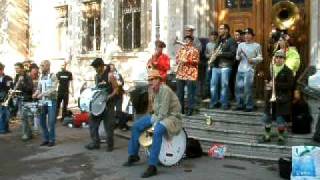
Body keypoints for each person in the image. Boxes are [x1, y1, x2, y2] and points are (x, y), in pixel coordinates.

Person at [123, 69, 182, 178]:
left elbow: (163, 113)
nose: (150, 82)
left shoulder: (165, 90)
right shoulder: (154, 90)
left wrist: (153, 127)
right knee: (136, 126)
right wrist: (148, 120)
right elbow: (155, 110)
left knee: (157, 131)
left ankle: (152, 166)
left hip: (172, 117)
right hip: (159, 115)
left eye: (152, 79)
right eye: (149, 80)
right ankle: (133, 155)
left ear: (158, 80)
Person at [260, 50, 294, 145]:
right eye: (277, 57)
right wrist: (267, 85)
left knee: (280, 119)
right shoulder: (271, 69)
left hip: (282, 99)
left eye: (281, 58)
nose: (278, 59)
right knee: (267, 117)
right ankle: (267, 136)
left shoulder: (288, 71)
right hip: (270, 98)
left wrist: (276, 84)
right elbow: (267, 81)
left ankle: (281, 137)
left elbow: (290, 85)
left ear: (284, 59)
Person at [85, 58, 118, 152]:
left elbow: (116, 89)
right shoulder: (96, 76)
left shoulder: (110, 75)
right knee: (92, 123)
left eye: (96, 67)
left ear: (101, 66)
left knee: (109, 126)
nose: (95, 68)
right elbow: (97, 89)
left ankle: (110, 145)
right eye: (94, 67)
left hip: (109, 104)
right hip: (98, 105)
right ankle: (95, 143)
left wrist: (109, 97)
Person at [234, 28, 263, 112]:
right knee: (239, 88)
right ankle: (240, 104)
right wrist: (238, 55)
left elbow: (260, 58)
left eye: (248, 34)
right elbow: (237, 57)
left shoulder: (257, 45)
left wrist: (253, 60)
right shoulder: (241, 45)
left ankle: (249, 106)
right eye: (245, 34)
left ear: (252, 36)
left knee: (248, 88)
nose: (246, 36)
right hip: (240, 69)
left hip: (250, 70)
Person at [209, 24, 237, 110]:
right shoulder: (219, 40)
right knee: (213, 85)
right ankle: (214, 102)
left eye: (221, 29)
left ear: (227, 30)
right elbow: (215, 51)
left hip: (226, 66)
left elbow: (233, 54)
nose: (219, 30)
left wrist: (221, 54)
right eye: (219, 29)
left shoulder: (231, 40)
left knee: (224, 86)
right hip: (216, 66)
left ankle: (224, 103)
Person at [32, 60, 58, 147]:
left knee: (51, 121)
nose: (41, 67)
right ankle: (46, 139)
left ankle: (52, 139)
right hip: (42, 101)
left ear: (48, 66)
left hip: (51, 101)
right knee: (41, 121)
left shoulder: (53, 76)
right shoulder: (41, 77)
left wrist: (42, 94)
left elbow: (53, 89)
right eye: (41, 66)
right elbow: (39, 88)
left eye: (42, 66)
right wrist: (35, 93)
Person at [176, 35, 200, 116]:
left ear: (191, 41)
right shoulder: (181, 50)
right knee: (179, 93)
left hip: (191, 74)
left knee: (190, 93)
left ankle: (190, 110)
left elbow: (196, 61)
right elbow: (177, 59)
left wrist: (186, 61)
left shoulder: (195, 50)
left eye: (188, 40)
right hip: (180, 73)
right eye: (185, 40)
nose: (186, 41)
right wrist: (178, 61)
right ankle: (180, 110)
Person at [14, 62, 34, 141]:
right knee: (23, 117)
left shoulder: (28, 77)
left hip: (26, 99)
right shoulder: (17, 76)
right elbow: (15, 86)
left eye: (17, 68)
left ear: (22, 68)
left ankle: (26, 134)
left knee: (25, 117)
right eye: (15, 68)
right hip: (20, 98)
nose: (16, 70)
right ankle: (28, 133)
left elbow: (30, 88)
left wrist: (22, 82)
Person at [109, 63, 128, 131]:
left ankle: (121, 125)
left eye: (113, 68)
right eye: (110, 68)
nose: (112, 70)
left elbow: (122, 83)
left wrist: (119, 82)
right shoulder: (107, 76)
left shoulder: (118, 75)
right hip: (111, 95)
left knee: (118, 110)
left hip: (118, 95)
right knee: (111, 111)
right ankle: (113, 125)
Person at [0, 63, 13, 134]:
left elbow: (10, 87)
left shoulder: (8, 78)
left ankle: (6, 128)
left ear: (2, 70)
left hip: (7, 98)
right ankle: (2, 129)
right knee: (2, 114)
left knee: (6, 113)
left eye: (0, 70)